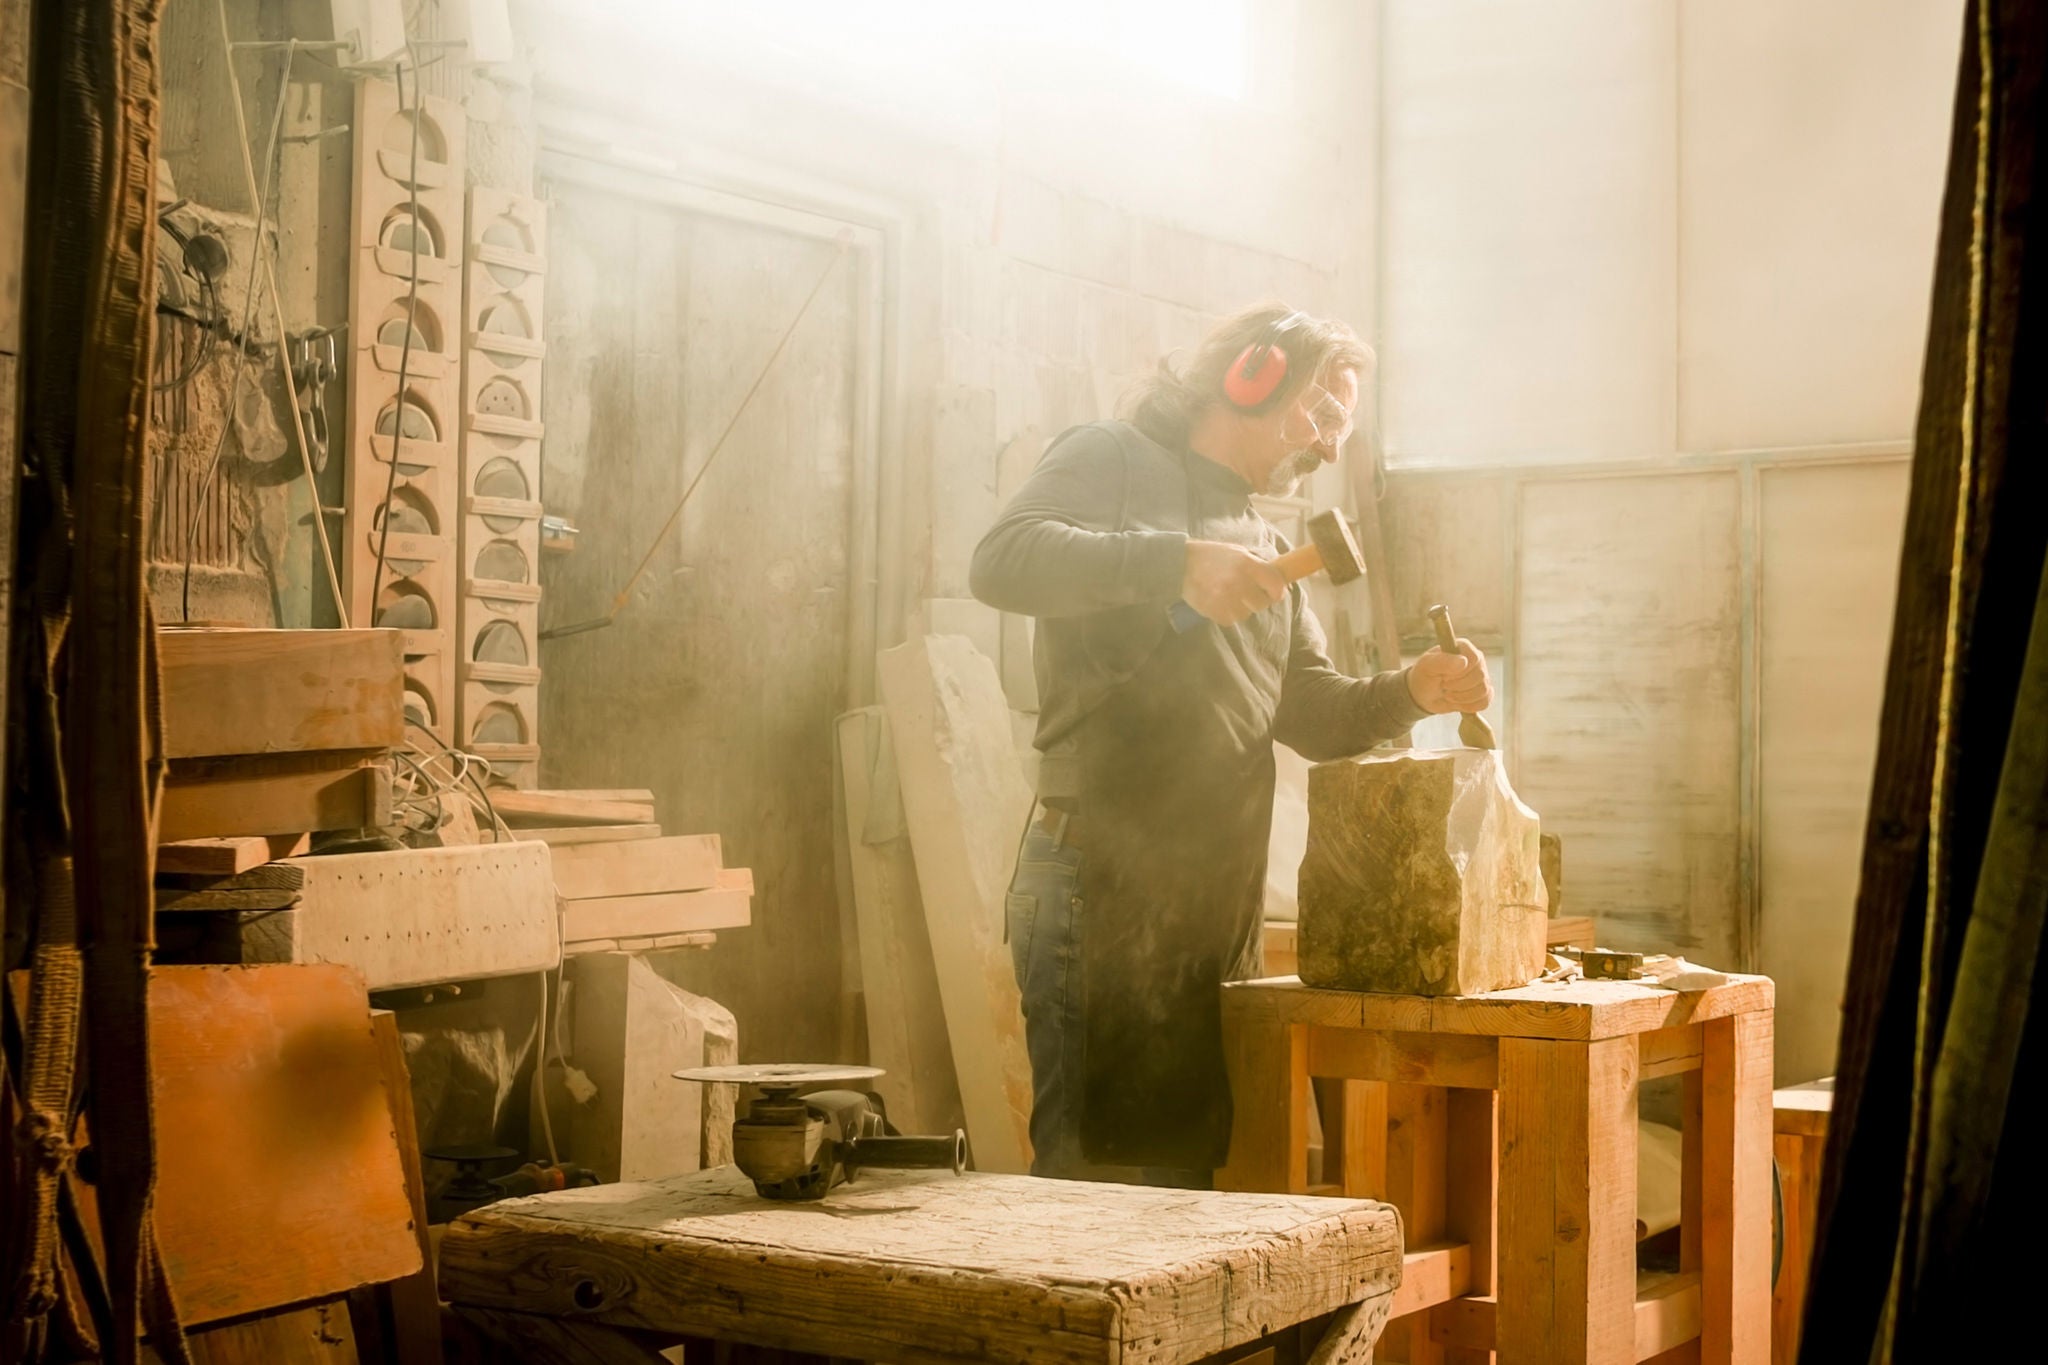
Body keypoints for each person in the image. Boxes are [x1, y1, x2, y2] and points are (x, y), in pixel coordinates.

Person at [968, 304, 1494, 1184]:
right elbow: (1002, 560)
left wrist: (1413, 691)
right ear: (1256, 374)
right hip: (1099, 879)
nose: (1329, 450)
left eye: (1342, 430)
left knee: (1179, 1173)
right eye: (1325, 416)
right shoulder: (1113, 459)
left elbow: (1312, 713)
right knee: (1095, 1175)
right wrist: (1176, 561)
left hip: (1212, 904)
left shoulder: (1269, 545)